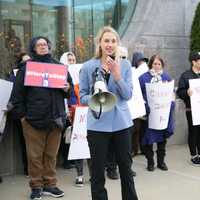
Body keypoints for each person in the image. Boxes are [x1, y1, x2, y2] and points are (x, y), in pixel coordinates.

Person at [79, 26, 138, 200]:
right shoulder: (88, 66)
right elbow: (82, 95)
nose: (110, 44)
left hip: (121, 124)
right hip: (97, 125)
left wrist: (117, 76)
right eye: (106, 40)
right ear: (100, 43)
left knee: (126, 170)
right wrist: (95, 99)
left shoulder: (125, 65)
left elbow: (127, 95)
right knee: (97, 173)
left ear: (117, 44)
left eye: (113, 41)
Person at [10, 36, 72, 200]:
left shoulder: (60, 67)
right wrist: (23, 117)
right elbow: (17, 95)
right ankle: (36, 187)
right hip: (33, 120)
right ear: (33, 48)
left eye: (45, 44)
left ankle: (50, 185)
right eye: (39, 45)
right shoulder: (27, 68)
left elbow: (69, 91)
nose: (43, 46)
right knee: (35, 156)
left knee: (51, 155)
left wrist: (67, 89)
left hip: (55, 119)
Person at [139, 54, 175, 172]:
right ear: (151, 64)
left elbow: (172, 94)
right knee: (147, 140)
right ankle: (150, 162)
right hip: (149, 115)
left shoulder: (167, 77)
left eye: (159, 64)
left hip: (162, 115)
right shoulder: (143, 77)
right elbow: (139, 95)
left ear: (162, 65)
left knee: (162, 140)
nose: (157, 66)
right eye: (154, 63)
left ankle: (161, 162)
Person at [177, 52, 200, 165]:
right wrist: (186, 92)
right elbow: (179, 92)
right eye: (199, 60)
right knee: (193, 131)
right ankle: (194, 155)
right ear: (194, 62)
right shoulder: (186, 75)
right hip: (192, 109)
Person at [131, 52, 148, 156]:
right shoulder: (136, 73)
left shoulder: (142, 72)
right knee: (137, 128)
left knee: (141, 129)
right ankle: (136, 149)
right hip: (138, 104)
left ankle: (140, 148)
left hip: (143, 104)